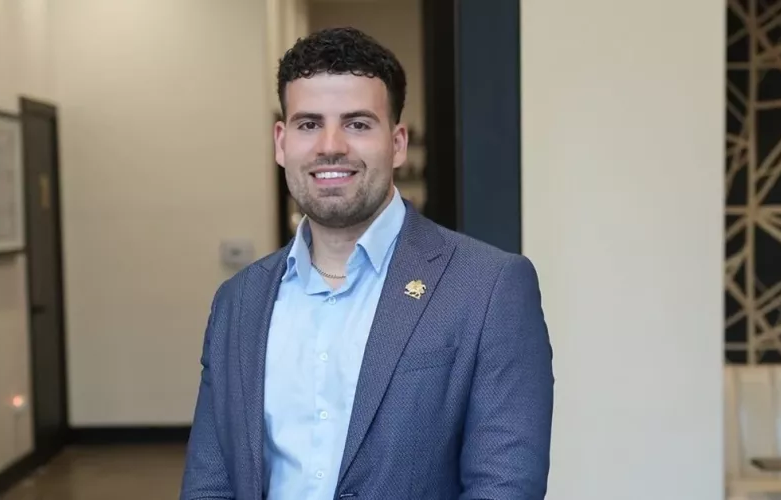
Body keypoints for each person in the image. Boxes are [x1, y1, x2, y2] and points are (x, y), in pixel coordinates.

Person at [180, 26, 554, 500]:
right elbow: (209, 484)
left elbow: (504, 487)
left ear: (397, 143)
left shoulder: (489, 288)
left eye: (357, 124)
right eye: (309, 124)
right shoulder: (238, 302)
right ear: (281, 142)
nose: (330, 146)